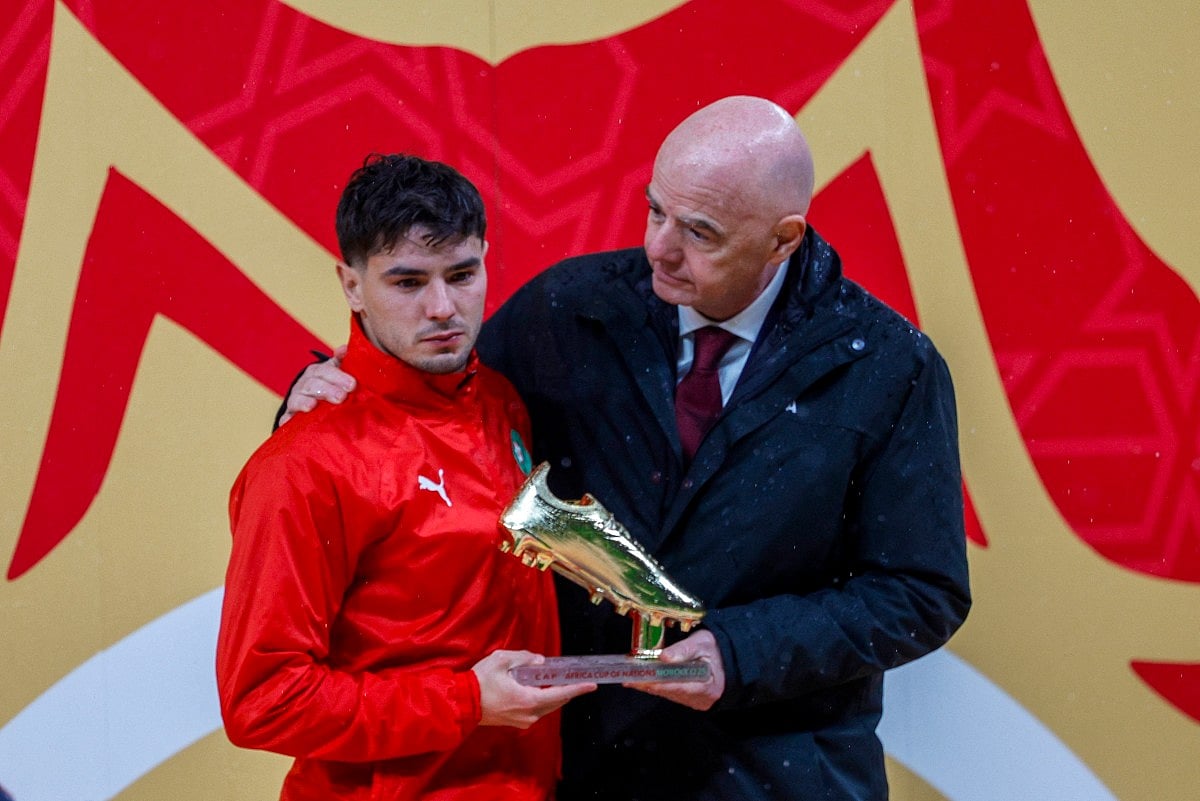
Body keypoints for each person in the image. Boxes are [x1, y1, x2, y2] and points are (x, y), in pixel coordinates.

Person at [281, 97, 972, 801]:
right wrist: (318, 392)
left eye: (700, 233)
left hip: (782, 776)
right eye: (655, 211)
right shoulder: (566, 309)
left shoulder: (889, 366)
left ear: (783, 239)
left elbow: (921, 591)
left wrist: (743, 651)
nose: (659, 248)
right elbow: (441, 405)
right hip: (596, 769)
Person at [217, 154, 594, 801]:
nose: (442, 307)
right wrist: (466, 700)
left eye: (462, 273)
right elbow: (262, 699)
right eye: (408, 281)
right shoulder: (303, 464)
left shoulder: (501, 400)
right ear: (351, 284)